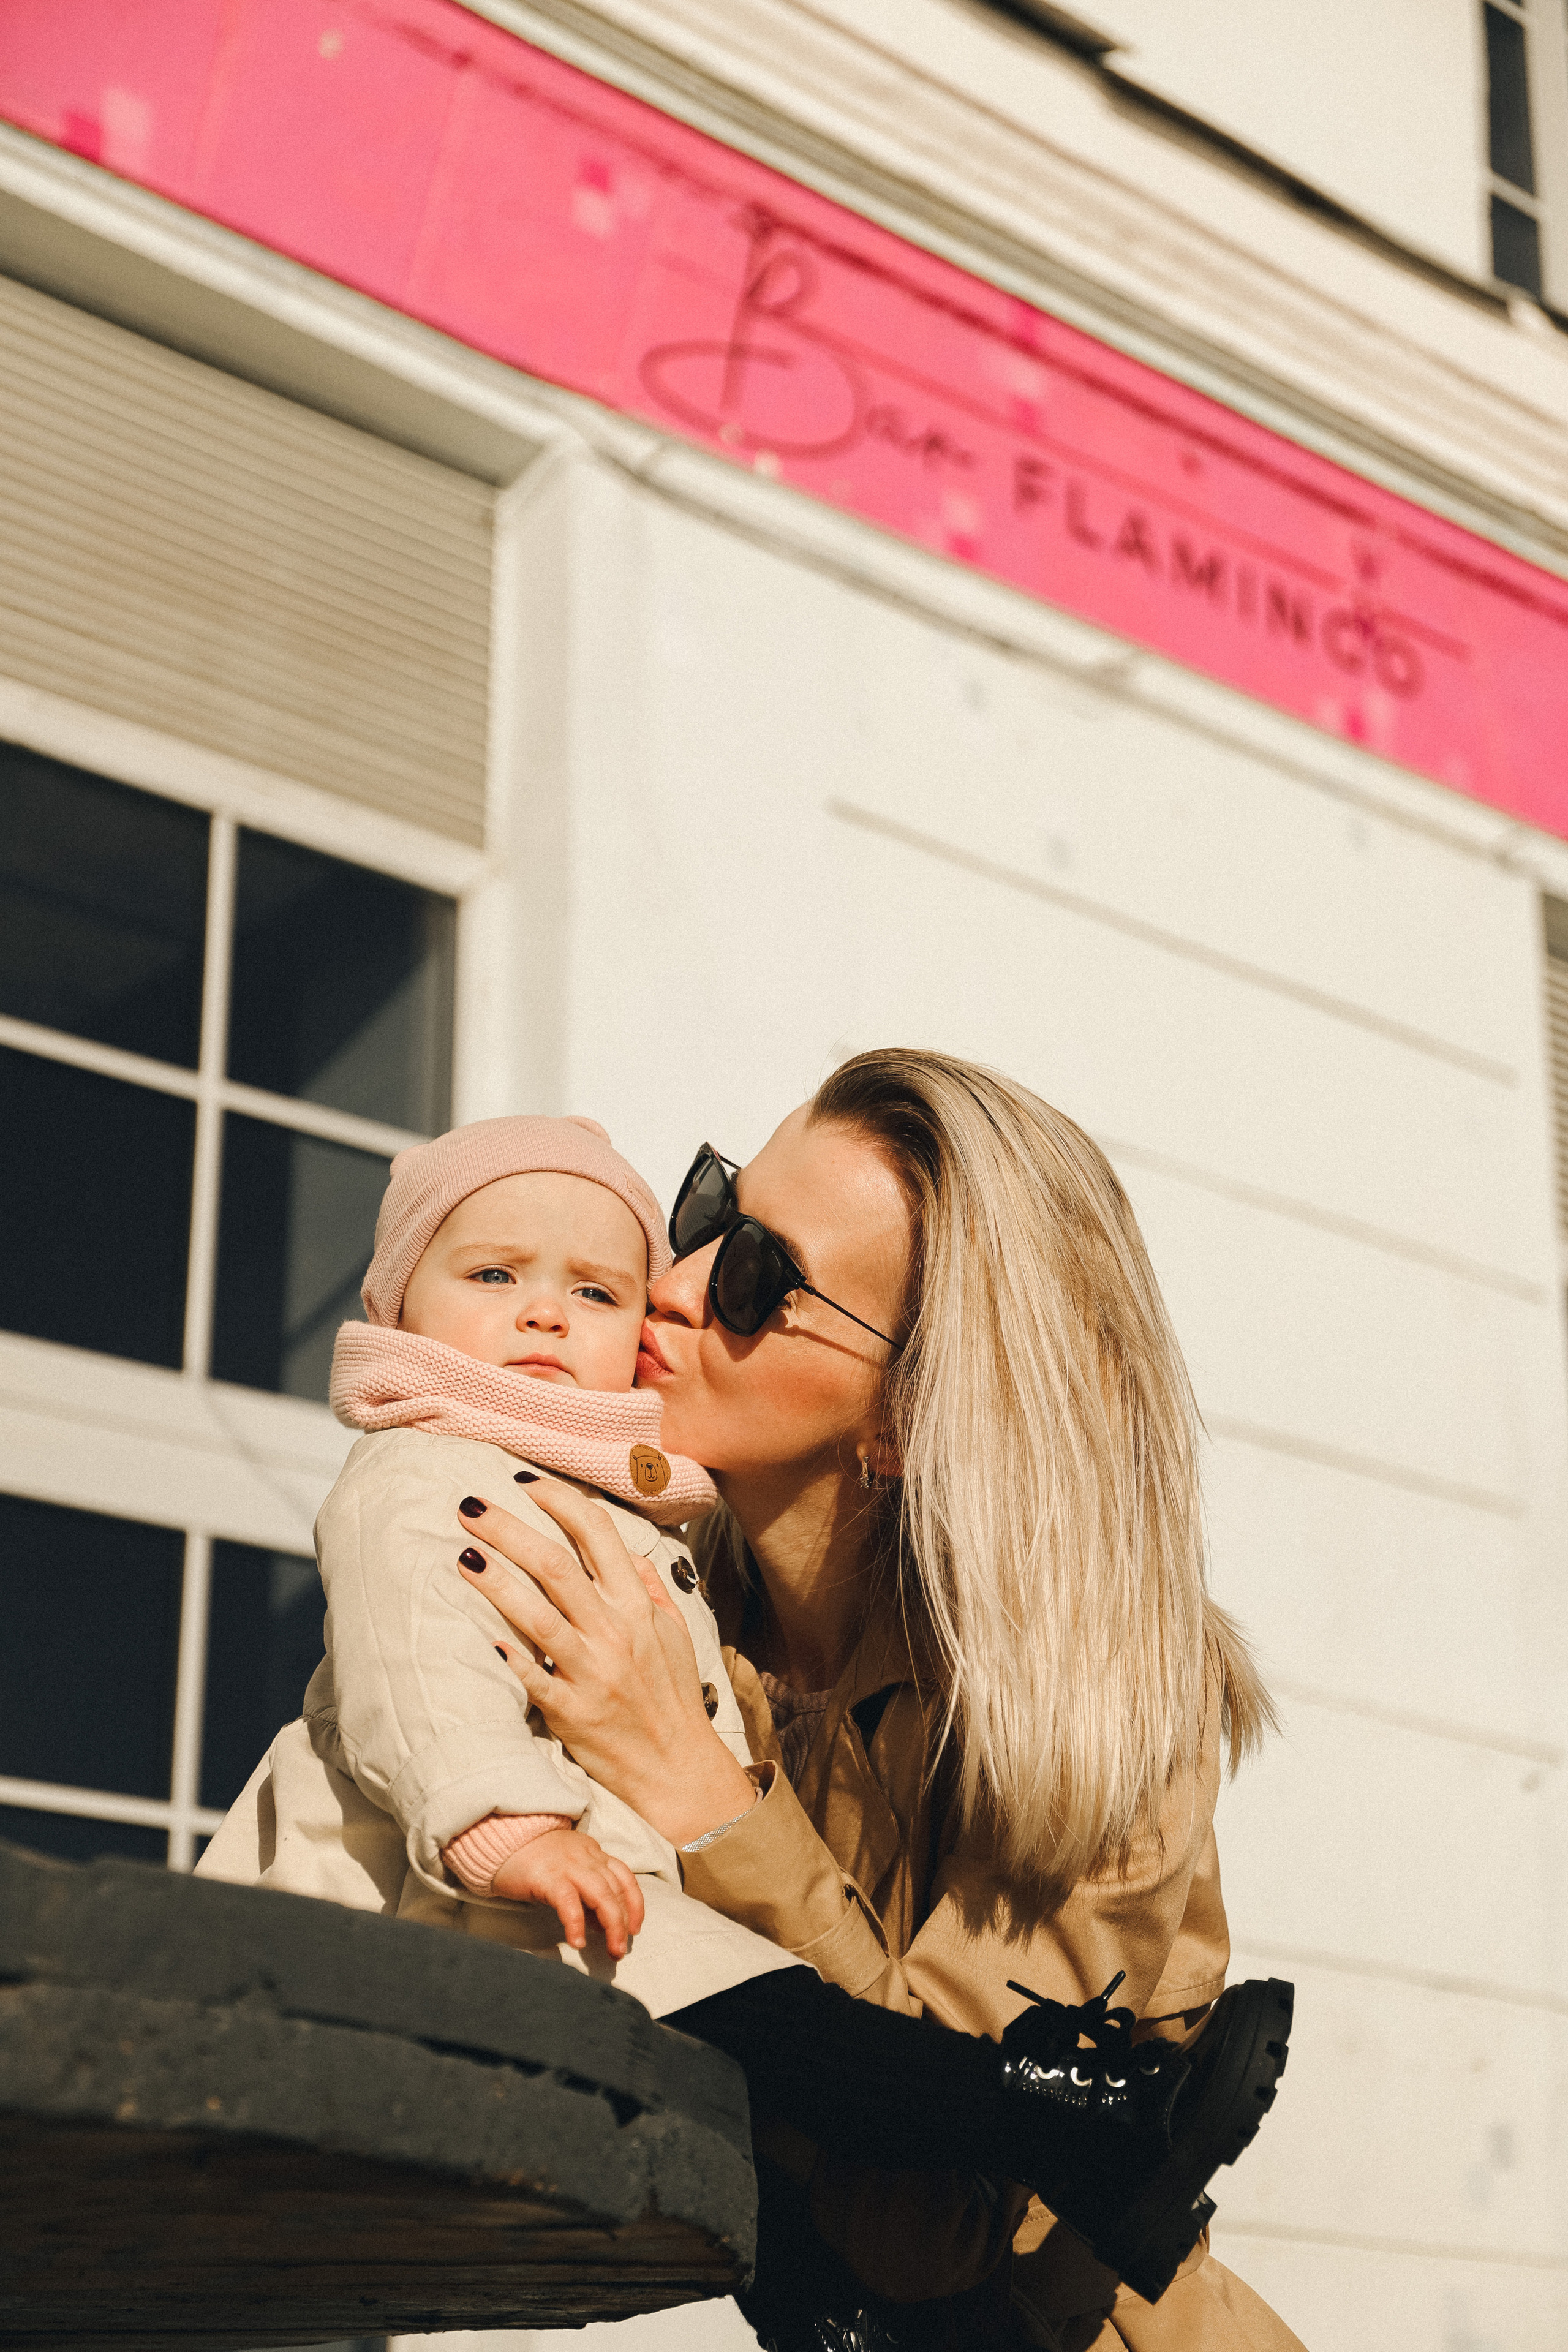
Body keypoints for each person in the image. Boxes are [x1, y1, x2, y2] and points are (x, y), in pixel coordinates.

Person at [200, 1092, 1293, 2339]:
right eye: (712, 1208)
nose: (676, 1280)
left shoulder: (1103, 1710)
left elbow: (922, 2232)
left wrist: (708, 1802)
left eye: (761, 1274)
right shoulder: (630, 1584)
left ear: (902, 1418)